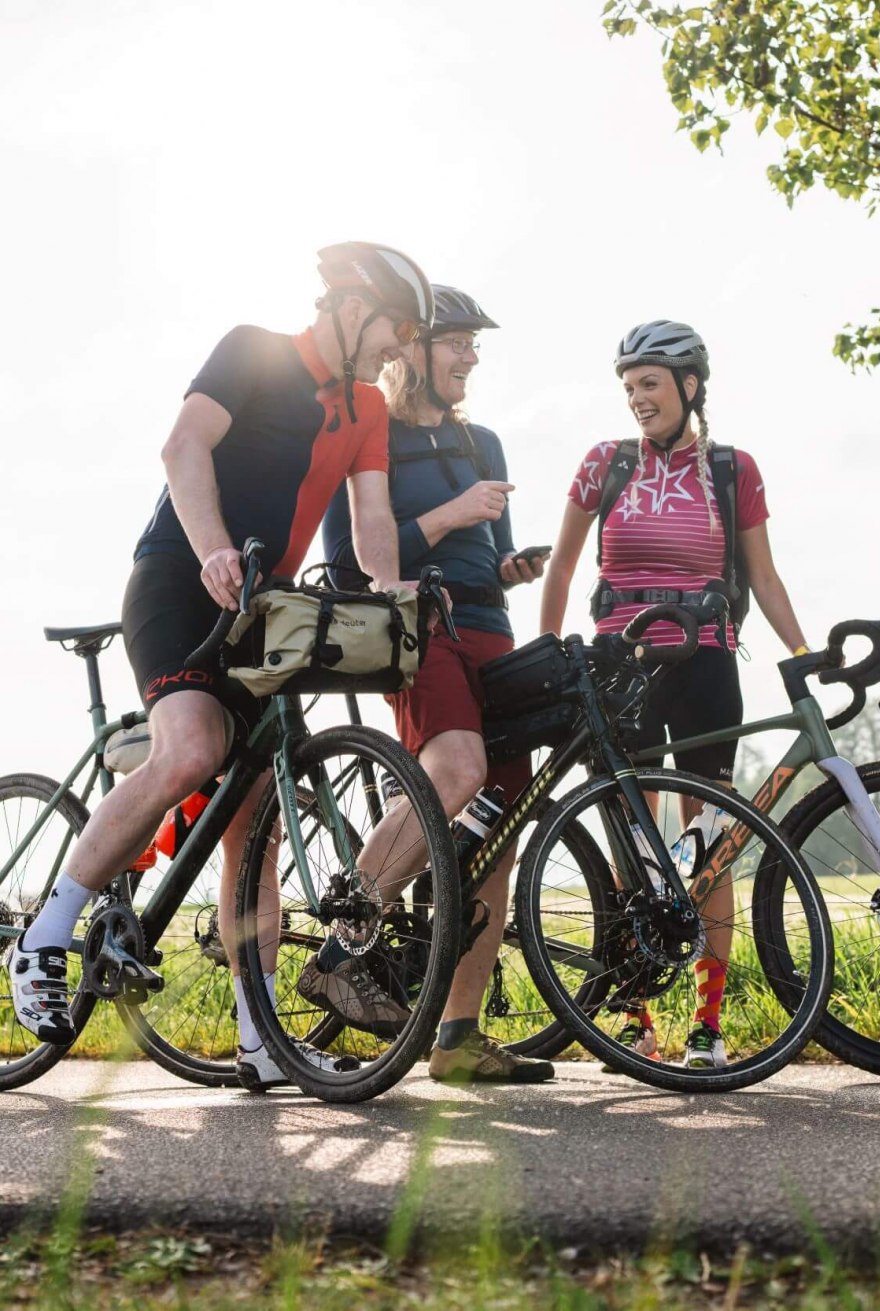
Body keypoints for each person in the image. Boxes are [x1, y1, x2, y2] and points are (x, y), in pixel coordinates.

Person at [12, 241, 434, 1091]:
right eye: (395, 326)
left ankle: (259, 1035)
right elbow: (182, 448)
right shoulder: (253, 349)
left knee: (257, 825)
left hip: (262, 609)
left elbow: (373, 517)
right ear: (351, 308)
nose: (401, 348)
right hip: (179, 577)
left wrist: (392, 597)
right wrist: (211, 551)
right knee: (194, 746)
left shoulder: (365, 409)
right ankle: (43, 934)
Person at [539, 320, 808, 1069]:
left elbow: (766, 576)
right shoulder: (604, 464)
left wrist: (802, 652)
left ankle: (708, 1022)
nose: (636, 399)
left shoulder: (732, 468)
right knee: (630, 838)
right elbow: (560, 567)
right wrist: (554, 649)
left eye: (649, 383)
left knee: (710, 844)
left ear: (690, 387)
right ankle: (634, 1012)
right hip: (619, 665)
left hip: (706, 663)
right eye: (628, 387)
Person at [314, 285, 555, 1083]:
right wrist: (452, 514)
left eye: (475, 345)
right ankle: (343, 945)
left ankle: (457, 1036)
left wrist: (514, 566)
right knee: (455, 770)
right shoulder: (367, 430)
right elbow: (352, 564)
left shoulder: (483, 441)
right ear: (412, 347)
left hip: (492, 628)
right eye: (458, 342)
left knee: (503, 824)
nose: (471, 358)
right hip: (419, 625)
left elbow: (491, 552)